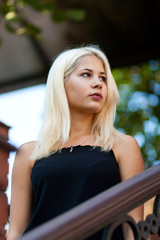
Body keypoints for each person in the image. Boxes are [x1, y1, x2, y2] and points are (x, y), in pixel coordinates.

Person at [7, 44, 144, 240]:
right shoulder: (29, 152)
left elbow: (133, 227)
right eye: (86, 74)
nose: (98, 83)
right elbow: (16, 232)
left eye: (103, 78)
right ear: (60, 84)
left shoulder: (123, 145)